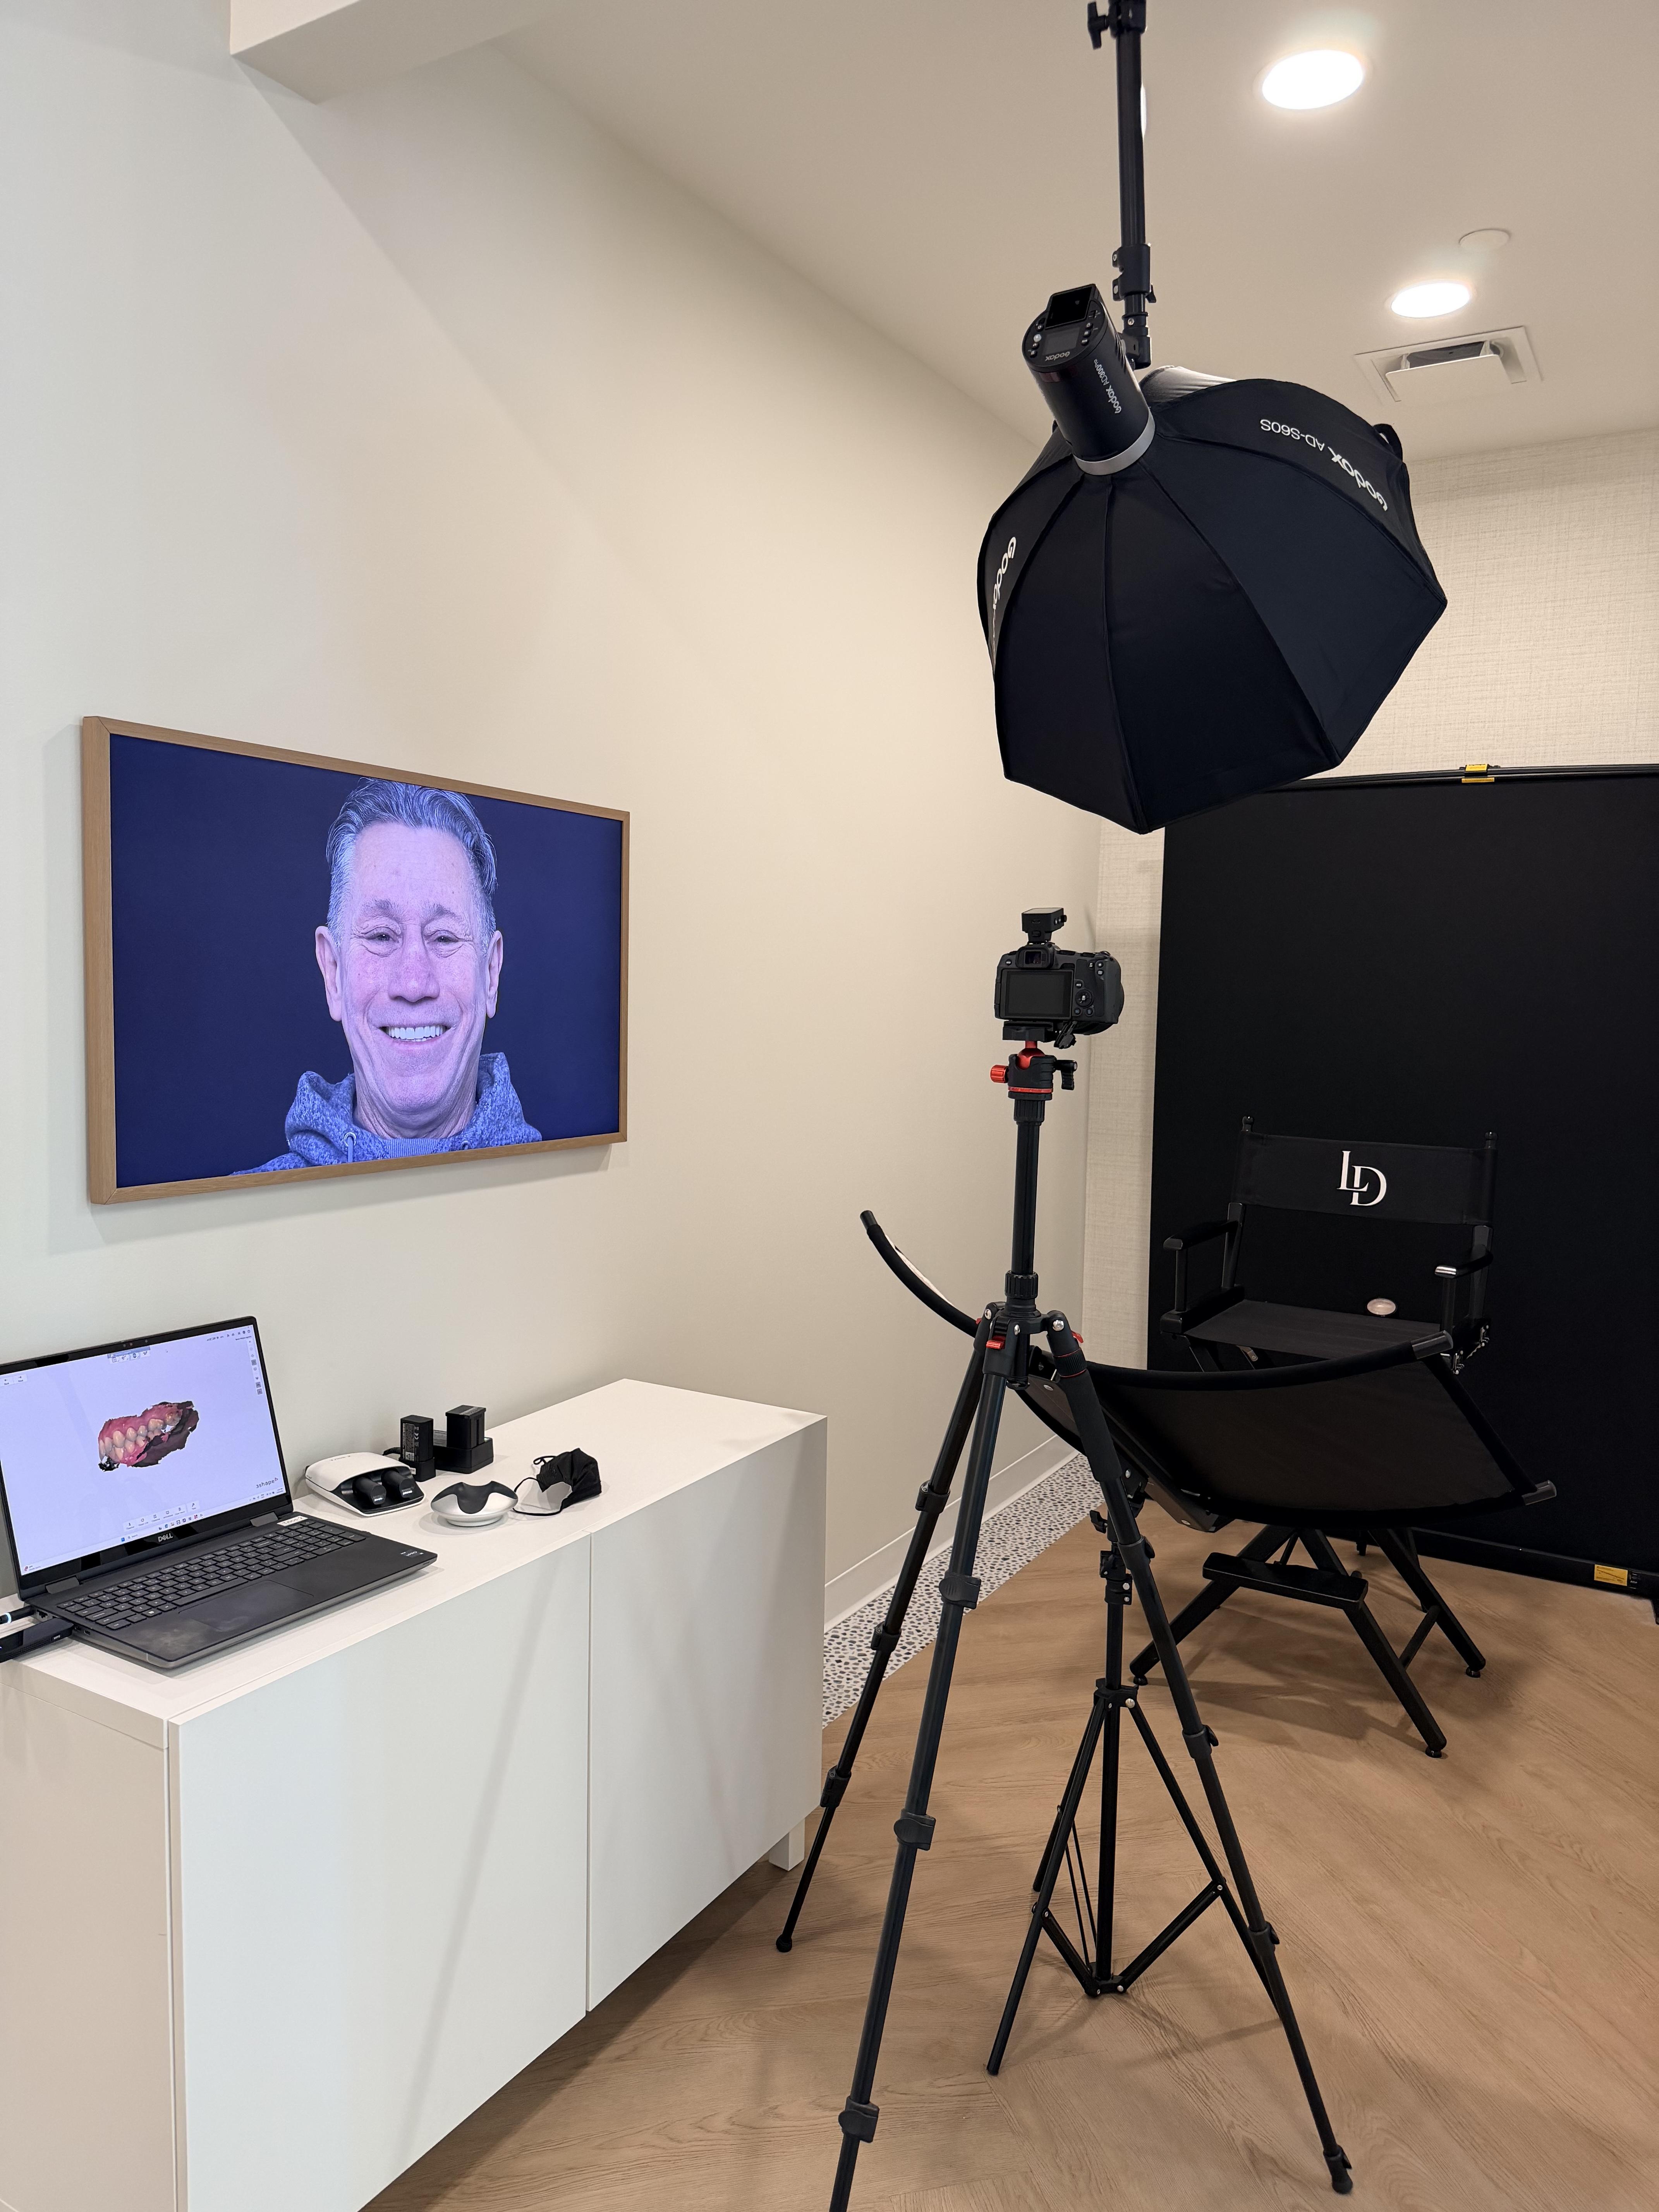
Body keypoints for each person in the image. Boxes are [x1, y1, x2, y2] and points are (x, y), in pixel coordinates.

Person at [247, 780, 541, 1172]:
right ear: (333, 973)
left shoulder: (580, 1204)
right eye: (382, 936)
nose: (414, 984)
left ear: (491, 972)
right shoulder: (231, 1225)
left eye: (444, 937)